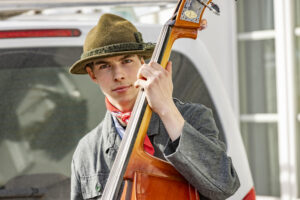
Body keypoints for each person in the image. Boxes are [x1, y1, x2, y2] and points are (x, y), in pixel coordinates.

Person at [69, 13, 240, 200]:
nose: (118, 75)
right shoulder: (87, 150)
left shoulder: (193, 117)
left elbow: (224, 186)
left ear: (143, 63)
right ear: (92, 75)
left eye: (126, 61)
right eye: (105, 66)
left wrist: (166, 108)